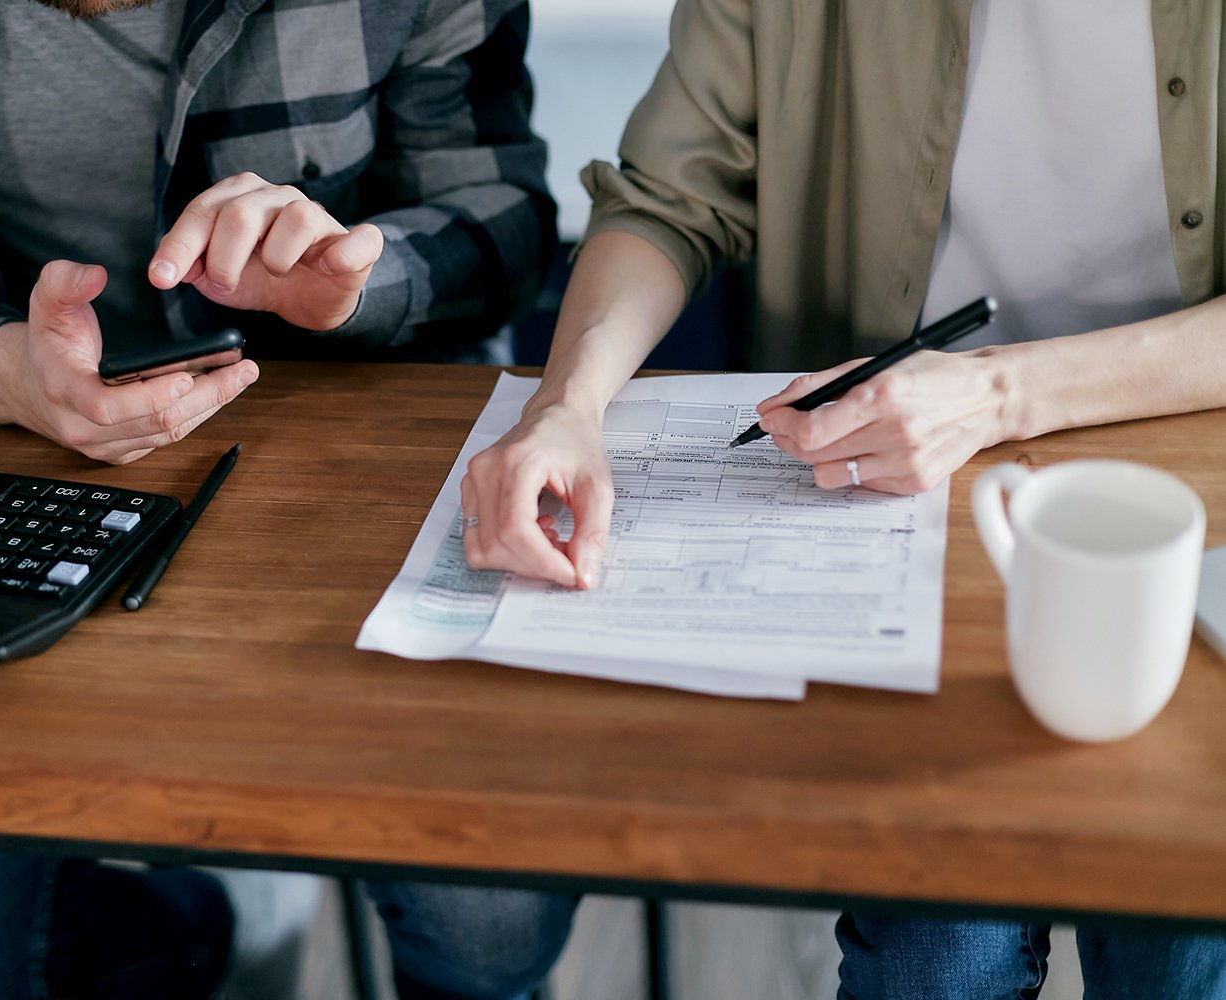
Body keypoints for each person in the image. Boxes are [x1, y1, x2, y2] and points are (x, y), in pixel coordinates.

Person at [0, 0, 572, 994]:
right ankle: (178, 925)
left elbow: (504, 220)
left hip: (348, 449)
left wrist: (355, 281)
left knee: (491, 920)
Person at [460, 0, 1226, 996]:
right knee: (930, 950)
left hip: (1187, 458)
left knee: (1180, 929)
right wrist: (567, 402)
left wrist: (1000, 391)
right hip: (887, 485)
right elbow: (666, 198)